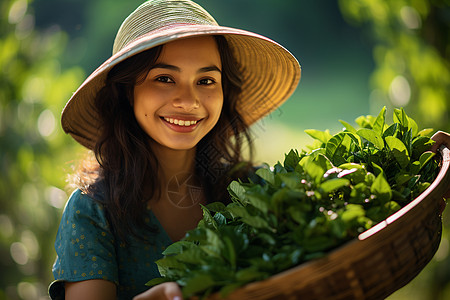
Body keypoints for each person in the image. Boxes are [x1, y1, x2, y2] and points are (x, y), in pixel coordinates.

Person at [48, 0, 301, 299]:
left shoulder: (253, 192)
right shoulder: (93, 212)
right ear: (127, 91)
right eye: (164, 79)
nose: (189, 100)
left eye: (206, 80)